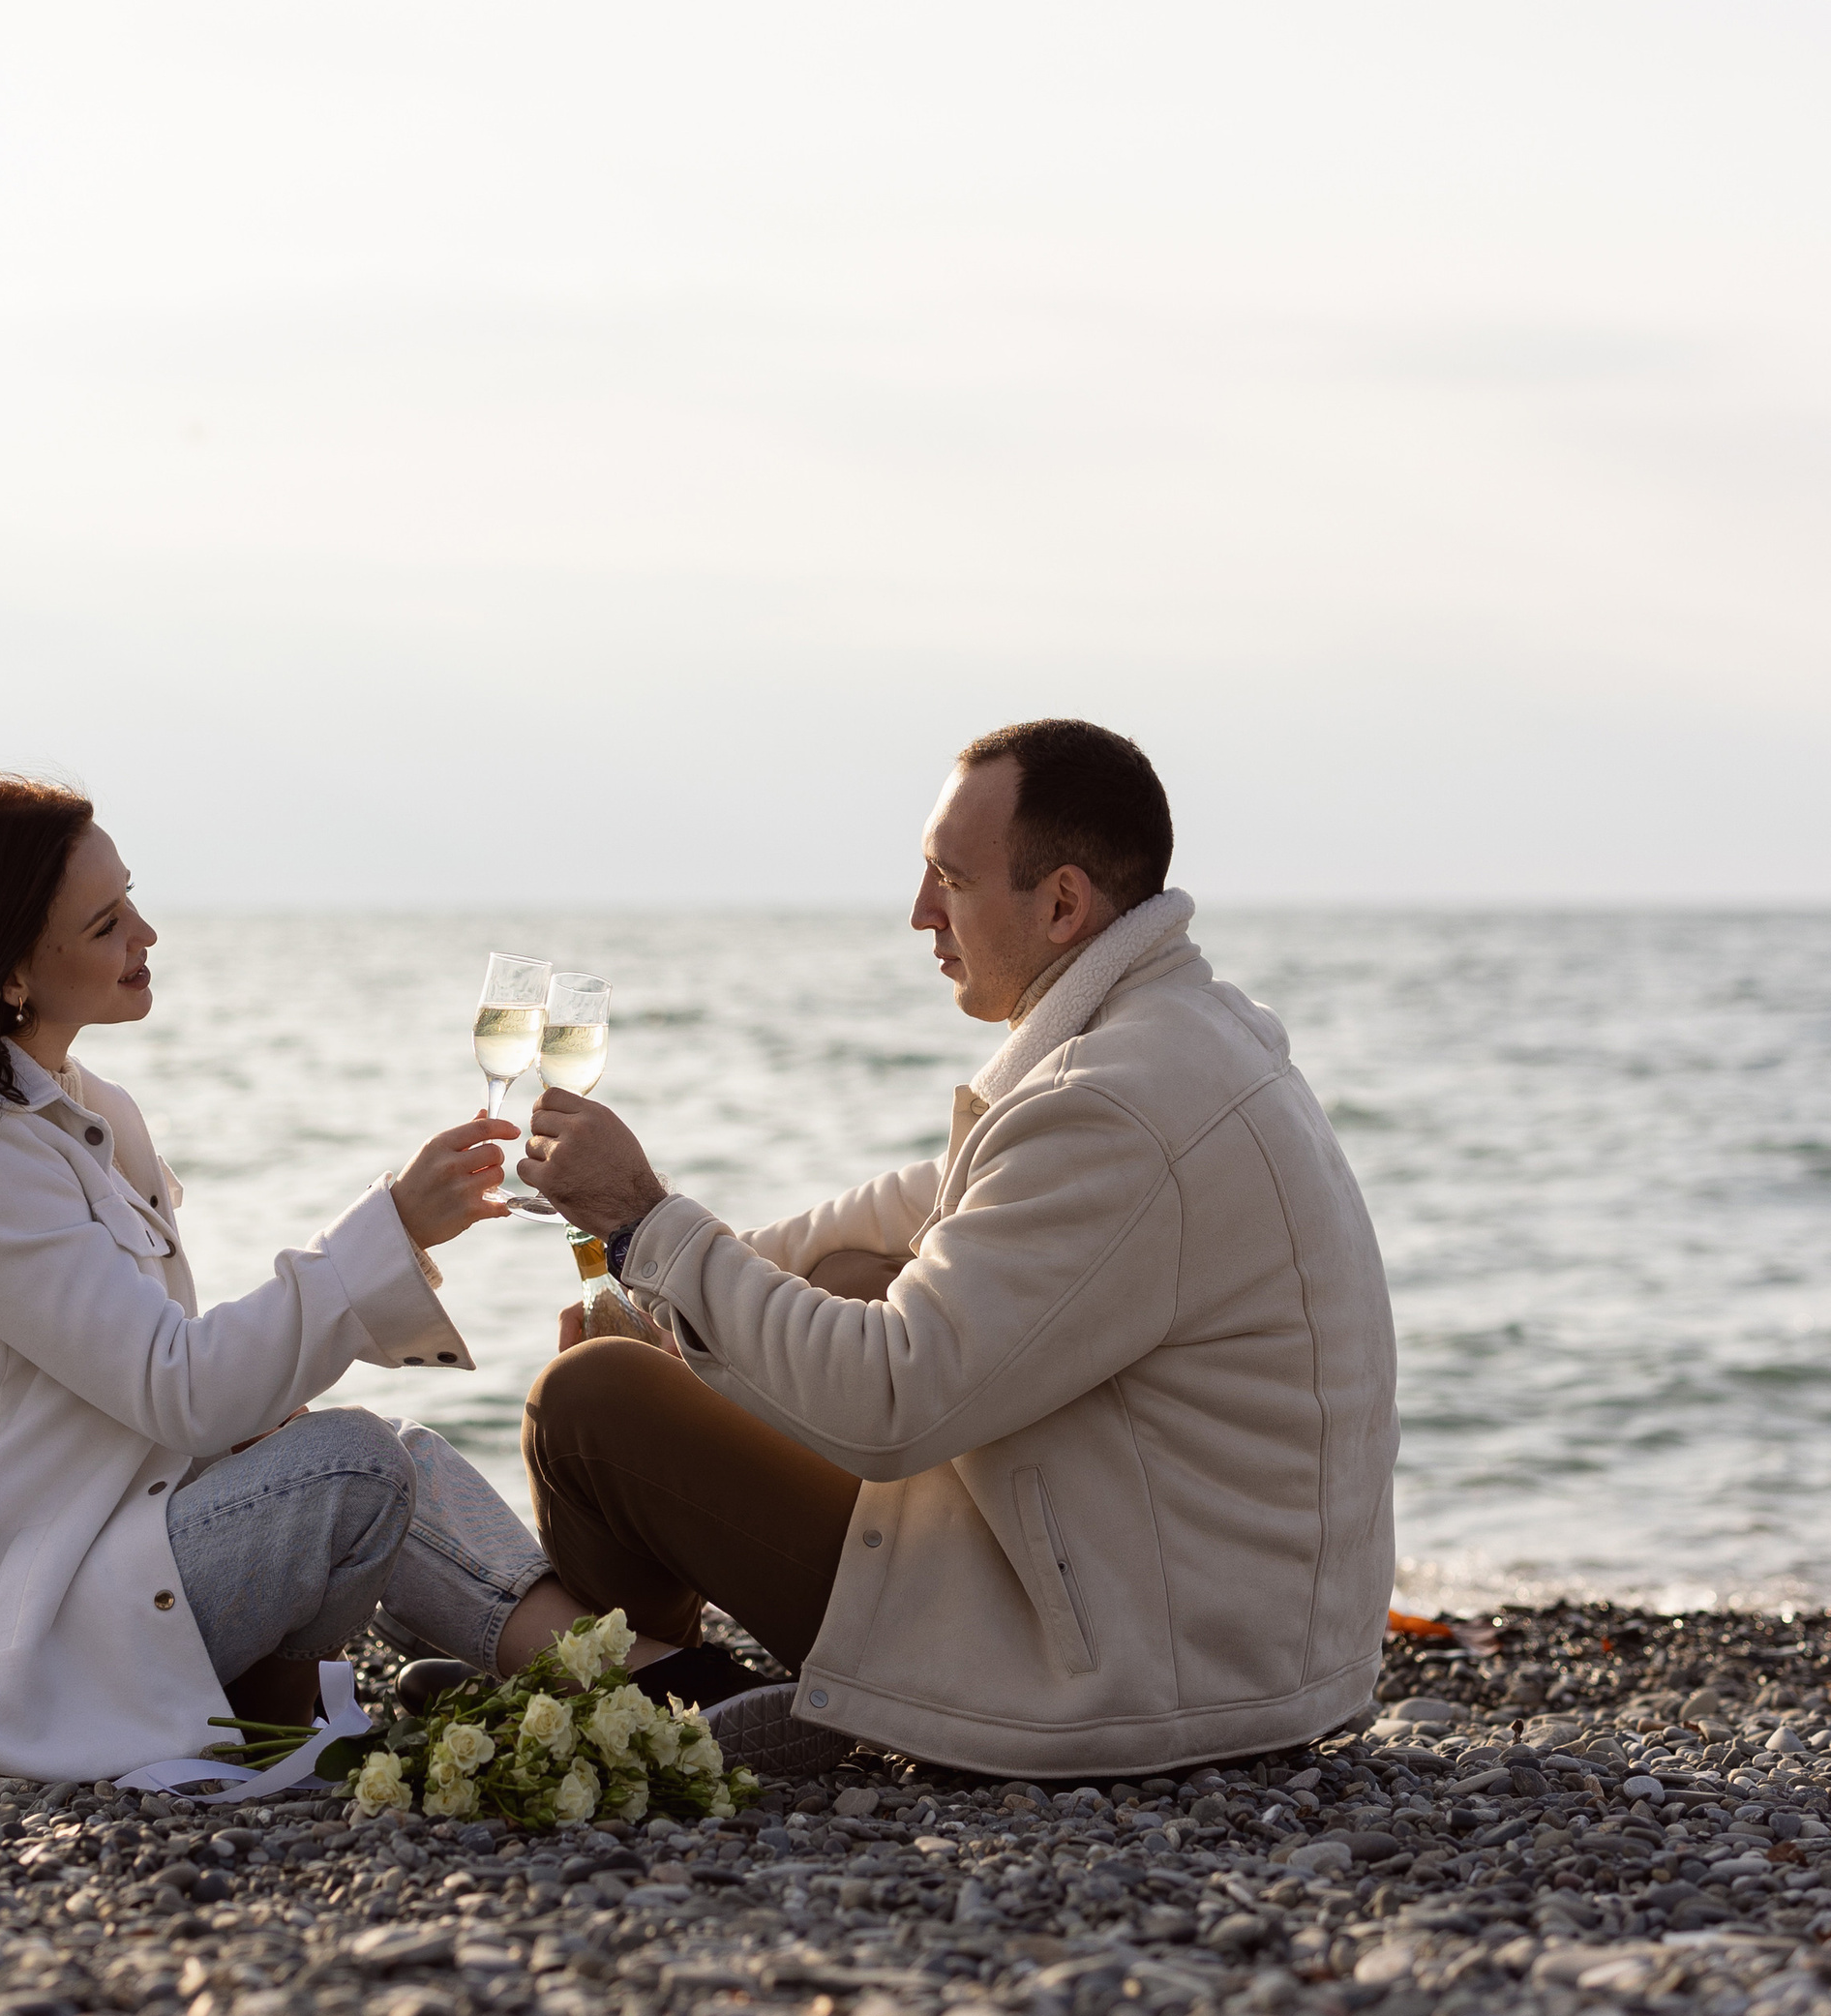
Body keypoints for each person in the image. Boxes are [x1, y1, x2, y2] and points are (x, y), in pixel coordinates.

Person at [509, 720, 1399, 1782]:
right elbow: (920, 1206)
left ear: (1063, 903)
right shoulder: (1174, 1034)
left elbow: (893, 1404)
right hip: (1229, 1636)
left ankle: (650, 1701)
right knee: (810, 1288)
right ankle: (672, 1682)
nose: (920, 912)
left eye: (948, 878)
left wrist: (647, 1223)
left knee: (589, 1398)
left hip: (1146, 1676)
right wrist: (671, 1296)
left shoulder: (1112, 1104)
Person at [0, 774, 553, 1782]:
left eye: (133, 901)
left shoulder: (89, 1111)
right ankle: (326, 1716)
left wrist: (263, 1417)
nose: (145, 934)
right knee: (357, 1465)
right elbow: (181, 1388)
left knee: (391, 1454)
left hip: (95, 1551)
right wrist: (393, 1225)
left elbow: (148, 1395)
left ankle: (623, 1672)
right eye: (108, 922)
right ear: (12, 970)